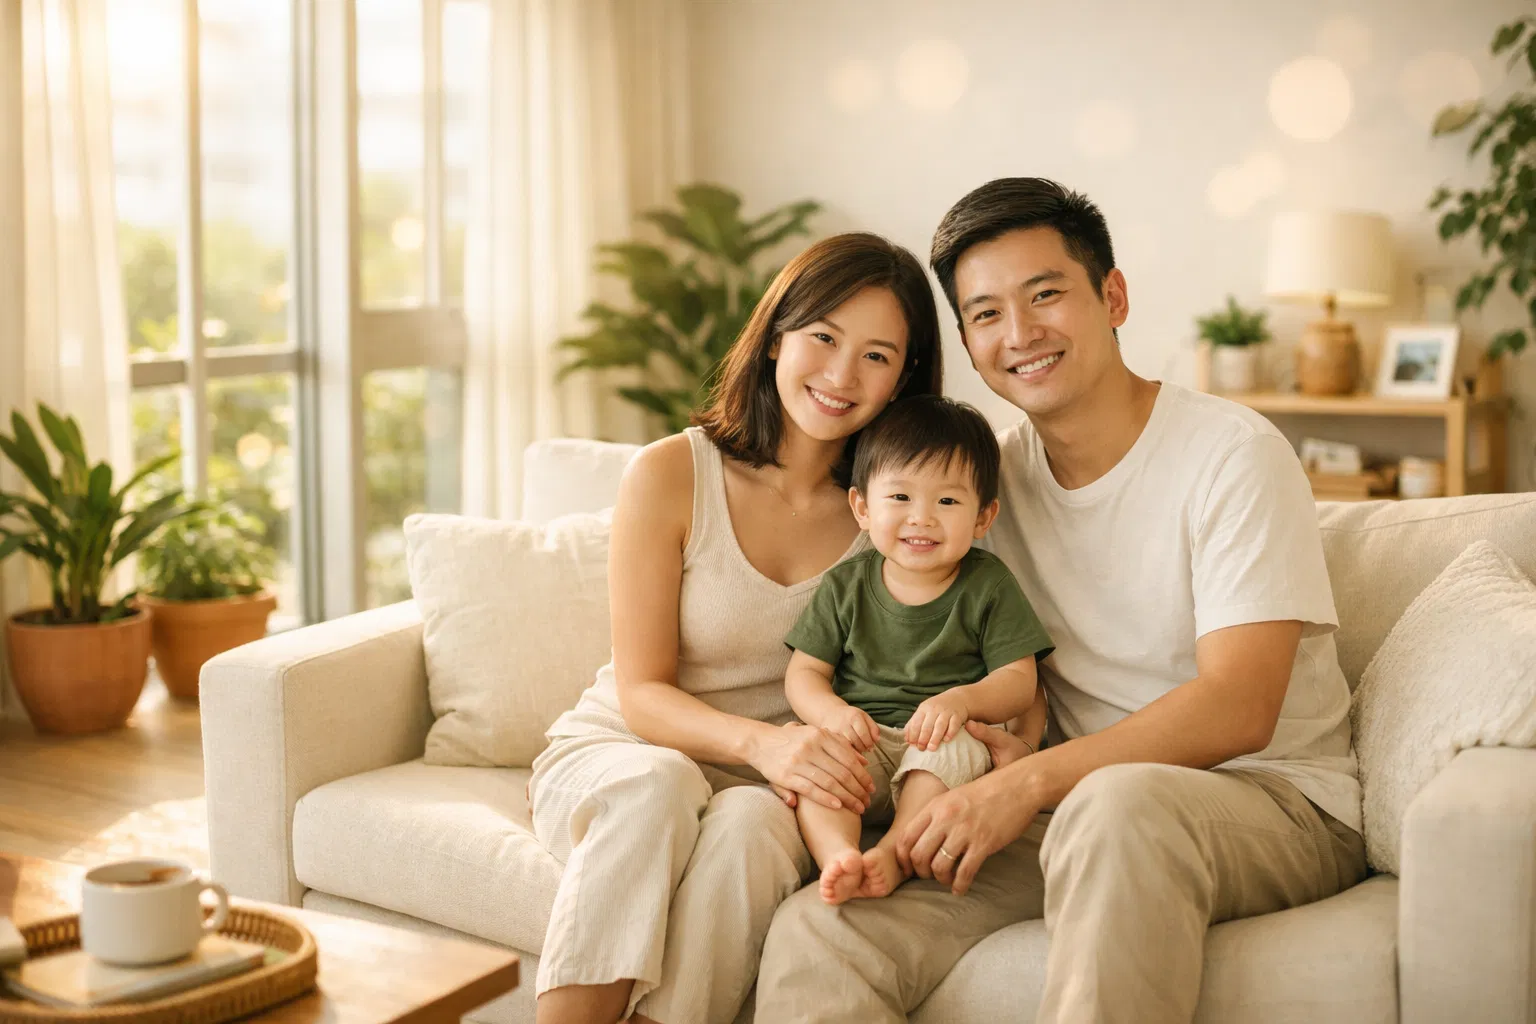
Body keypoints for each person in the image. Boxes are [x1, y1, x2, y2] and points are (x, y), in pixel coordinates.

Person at [756, 178, 1368, 1024]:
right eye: (985, 314)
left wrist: (1033, 781)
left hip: (1270, 798)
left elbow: (1240, 705)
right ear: (968, 344)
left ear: (1112, 297)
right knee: (823, 930)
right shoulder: (984, 488)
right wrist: (1008, 755)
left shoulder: (1233, 454)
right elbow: (991, 654)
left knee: (1119, 808)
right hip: (1073, 802)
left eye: (1045, 295)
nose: (1020, 334)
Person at [527, 231, 944, 1024]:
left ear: (905, 379)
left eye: (878, 356)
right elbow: (643, 692)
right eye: (823, 337)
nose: (841, 375)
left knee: (749, 821)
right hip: (628, 753)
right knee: (661, 784)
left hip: (772, 790)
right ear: (776, 336)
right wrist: (764, 742)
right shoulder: (672, 473)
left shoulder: (901, 516)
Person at [783, 394, 1053, 906]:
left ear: (983, 516)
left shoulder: (988, 584)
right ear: (862, 507)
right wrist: (832, 713)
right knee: (821, 761)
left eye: (948, 502)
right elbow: (804, 674)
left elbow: (1021, 681)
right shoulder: (846, 584)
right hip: (863, 740)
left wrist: (963, 702)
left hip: (937, 748)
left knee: (952, 749)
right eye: (900, 498)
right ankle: (839, 855)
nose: (922, 518)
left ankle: (895, 849)